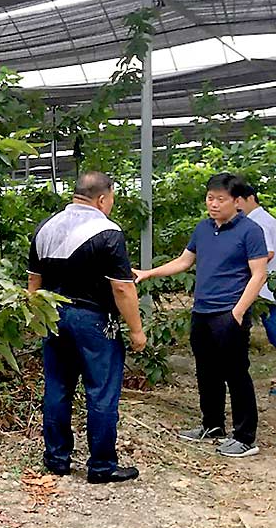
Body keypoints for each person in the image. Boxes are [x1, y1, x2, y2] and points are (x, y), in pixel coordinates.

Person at [134, 173, 268, 458]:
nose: (214, 204)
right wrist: (148, 273)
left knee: (236, 373)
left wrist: (238, 311)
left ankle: (245, 437)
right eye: (210, 198)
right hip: (202, 311)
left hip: (229, 312)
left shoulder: (250, 231)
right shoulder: (203, 229)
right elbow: (184, 261)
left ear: (237, 201)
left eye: (221, 199)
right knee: (206, 371)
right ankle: (212, 425)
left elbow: (259, 275)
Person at [28, 171, 146, 484]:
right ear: (102, 198)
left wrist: (36, 318)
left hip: (52, 315)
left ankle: (57, 459)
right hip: (93, 320)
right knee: (101, 391)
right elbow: (122, 289)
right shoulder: (108, 231)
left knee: (57, 386)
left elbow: (34, 282)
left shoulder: (46, 226)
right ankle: (102, 465)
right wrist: (136, 330)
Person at [237, 184, 276, 349]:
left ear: (251, 198)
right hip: (266, 284)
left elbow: (268, 252)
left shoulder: (258, 222)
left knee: (273, 326)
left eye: (238, 201)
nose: (236, 206)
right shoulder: (263, 219)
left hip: (265, 286)